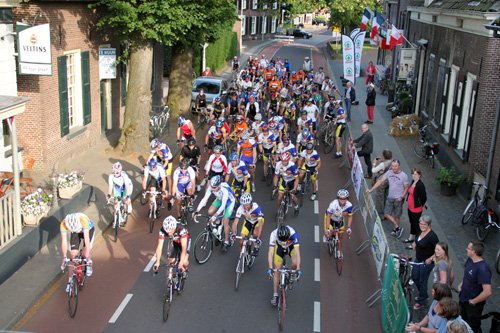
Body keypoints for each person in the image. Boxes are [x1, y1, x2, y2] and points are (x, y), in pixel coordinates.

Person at [367, 160, 408, 238]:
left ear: (399, 166)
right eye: (392, 166)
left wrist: (401, 197)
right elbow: (380, 182)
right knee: (386, 214)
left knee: (397, 215)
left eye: (395, 166)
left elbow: (406, 188)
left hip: (398, 198)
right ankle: (397, 227)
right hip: (390, 197)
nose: (394, 168)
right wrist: (371, 189)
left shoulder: (404, 176)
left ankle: (395, 230)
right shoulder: (389, 173)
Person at [193, 175, 236, 252]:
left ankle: (226, 241)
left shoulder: (224, 190)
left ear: (219, 185)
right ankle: (218, 222)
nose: (213, 189)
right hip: (220, 199)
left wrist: (216, 215)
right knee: (210, 212)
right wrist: (197, 211)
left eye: (214, 187)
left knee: (225, 221)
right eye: (212, 187)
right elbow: (205, 199)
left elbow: (223, 205)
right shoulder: (212, 187)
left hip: (229, 202)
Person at [458, 241, 492, 333]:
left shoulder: (483, 269)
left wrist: (473, 301)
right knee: (461, 322)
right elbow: (467, 275)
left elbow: (487, 291)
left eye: (468, 248)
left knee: (473, 326)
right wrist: (461, 285)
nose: (466, 249)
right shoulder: (470, 260)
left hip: (472, 305)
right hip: (463, 299)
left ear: (474, 252)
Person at [267, 225, 301, 306]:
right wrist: (270, 267)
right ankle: (275, 295)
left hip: (291, 247)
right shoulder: (274, 234)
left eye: (286, 240)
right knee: (277, 270)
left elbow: (297, 252)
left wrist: (298, 269)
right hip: (279, 248)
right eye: (282, 240)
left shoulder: (293, 234)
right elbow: (270, 252)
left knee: (294, 263)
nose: (284, 241)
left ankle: (291, 275)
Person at [60, 213, 95, 292]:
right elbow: (64, 242)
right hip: (75, 233)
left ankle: (88, 265)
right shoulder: (63, 223)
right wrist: (64, 256)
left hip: (87, 231)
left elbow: (86, 239)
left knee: (85, 253)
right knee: (72, 256)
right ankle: (70, 282)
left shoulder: (84, 220)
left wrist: (88, 257)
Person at [410, 215, 439, 309]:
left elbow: (439, 250)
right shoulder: (420, 231)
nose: (422, 226)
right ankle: (424, 294)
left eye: (424, 224)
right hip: (418, 258)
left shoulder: (432, 236)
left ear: (429, 225)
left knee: (423, 281)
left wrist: (431, 258)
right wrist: (415, 243)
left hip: (426, 263)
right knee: (414, 276)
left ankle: (421, 300)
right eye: (420, 223)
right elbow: (418, 239)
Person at [324, 189, 353, 259]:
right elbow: (328, 217)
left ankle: (339, 251)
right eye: (340, 199)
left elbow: (350, 216)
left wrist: (349, 227)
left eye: (344, 199)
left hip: (339, 220)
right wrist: (327, 229)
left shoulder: (349, 205)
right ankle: (329, 238)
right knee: (329, 234)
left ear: (347, 199)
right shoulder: (333, 204)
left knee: (340, 236)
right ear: (338, 198)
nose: (342, 200)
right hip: (330, 218)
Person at [403, 168, 427, 245]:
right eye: (413, 174)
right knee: (412, 222)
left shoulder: (420, 185)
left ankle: (416, 242)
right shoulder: (413, 182)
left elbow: (424, 197)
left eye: (416, 174)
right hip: (410, 207)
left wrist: (421, 204)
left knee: (416, 225)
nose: (414, 176)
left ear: (419, 175)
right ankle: (411, 237)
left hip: (416, 208)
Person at [371, 149, 393, 216]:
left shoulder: (382, 164)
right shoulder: (392, 162)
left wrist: (374, 163)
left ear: (384, 156)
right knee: (386, 197)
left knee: (379, 197)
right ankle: (387, 212)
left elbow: (373, 170)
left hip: (381, 182)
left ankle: (381, 214)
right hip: (389, 182)